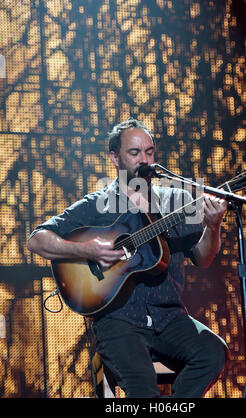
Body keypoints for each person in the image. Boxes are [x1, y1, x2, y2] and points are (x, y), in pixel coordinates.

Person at [27, 118, 229, 398]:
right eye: (135, 153)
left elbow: (204, 259)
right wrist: (87, 250)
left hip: (170, 317)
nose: (144, 159)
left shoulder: (177, 201)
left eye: (149, 152)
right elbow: (37, 239)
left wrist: (213, 225)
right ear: (115, 157)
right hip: (117, 320)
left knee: (213, 352)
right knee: (142, 388)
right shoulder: (96, 205)